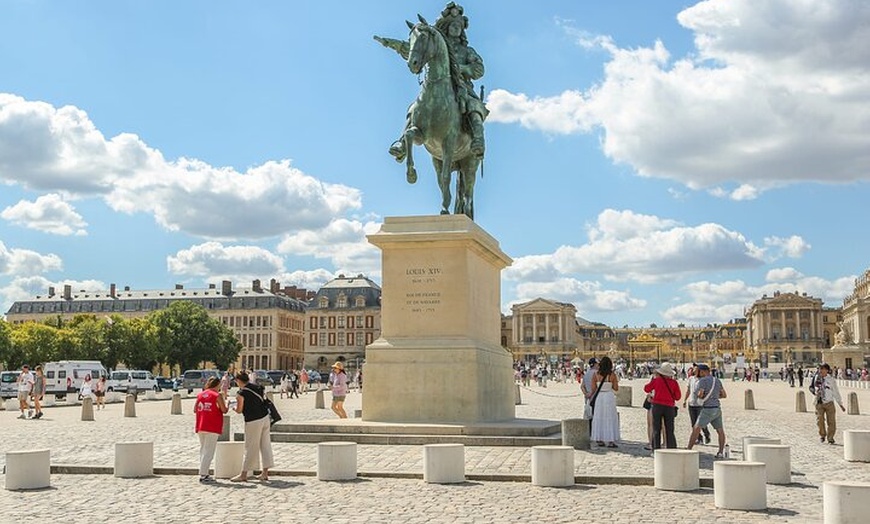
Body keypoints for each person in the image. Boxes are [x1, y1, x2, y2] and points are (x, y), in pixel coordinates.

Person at [378, 2, 488, 163]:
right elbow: (414, 50)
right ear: (447, 25)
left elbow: (479, 69)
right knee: (414, 107)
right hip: (434, 85)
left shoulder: (467, 51)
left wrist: (462, 68)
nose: (456, 28)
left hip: (461, 86)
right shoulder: (435, 43)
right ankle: (402, 142)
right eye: (453, 24)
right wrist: (391, 44)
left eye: (459, 25)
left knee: (474, 106)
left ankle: (478, 139)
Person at [231, 371, 273, 482]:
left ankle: (244, 474)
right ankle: (265, 473)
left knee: (250, 447)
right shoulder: (258, 387)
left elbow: (239, 410)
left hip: (253, 420)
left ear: (239, 381)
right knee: (265, 445)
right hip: (265, 418)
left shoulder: (241, 393)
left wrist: (234, 408)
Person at [687, 364, 728, 458]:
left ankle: (688, 449)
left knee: (696, 428)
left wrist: (700, 396)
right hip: (717, 408)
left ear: (702, 371)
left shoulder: (702, 381)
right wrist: (714, 397)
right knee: (720, 430)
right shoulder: (717, 380)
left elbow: (700, 394)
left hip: (707, 409)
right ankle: (720, 452)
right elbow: (724, 395)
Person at [195, 376, 228, 483]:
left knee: (203, 450)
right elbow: (224, 410)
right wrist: (227, 404)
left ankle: (204, 472)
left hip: (201, 424)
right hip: (212, 425)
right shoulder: (216, 395)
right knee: (209, 451)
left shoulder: (200, 395)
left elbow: (195, 409)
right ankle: (203, 474)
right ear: (218, 385)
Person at [644, 362, 681, 449]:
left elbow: (646, 388)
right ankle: (671, 448)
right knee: (670, 430)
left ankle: (656, 449)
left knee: (656, 428)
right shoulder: (674, 383)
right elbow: (678, 397)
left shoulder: (657, 381)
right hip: (669, 407)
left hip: (657, 406)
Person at [809, 363, 845, 444]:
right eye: (819, 369)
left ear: (827, 370)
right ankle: (822, 435)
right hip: (818, 402)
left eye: (822, 369)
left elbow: (836, 392)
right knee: (819, 420)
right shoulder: (816, 378)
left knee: (831, 421)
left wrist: (840, 403)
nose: (820, 371)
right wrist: (814, 392)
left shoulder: (831, 380)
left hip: (829, 402)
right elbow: (810, 387)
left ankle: (830, 437)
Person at [589, 356, 620, 448]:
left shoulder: (596, 375)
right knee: (610, 416)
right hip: (609, 396)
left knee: (599, 416)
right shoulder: (612, 375)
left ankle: (599, 439)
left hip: (600, 397)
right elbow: (616, 388)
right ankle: (610, 440)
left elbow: (593, 388)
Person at [683, 365, 710, 445]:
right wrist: (685, 400)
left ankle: (706, 434)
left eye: (696, 369)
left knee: (701, 423)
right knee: (693, 423)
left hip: (700, 404)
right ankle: (699, 438)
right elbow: (688, 390)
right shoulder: (691, 379)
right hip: (691, 403)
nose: (694, 370)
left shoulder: (704, 380)